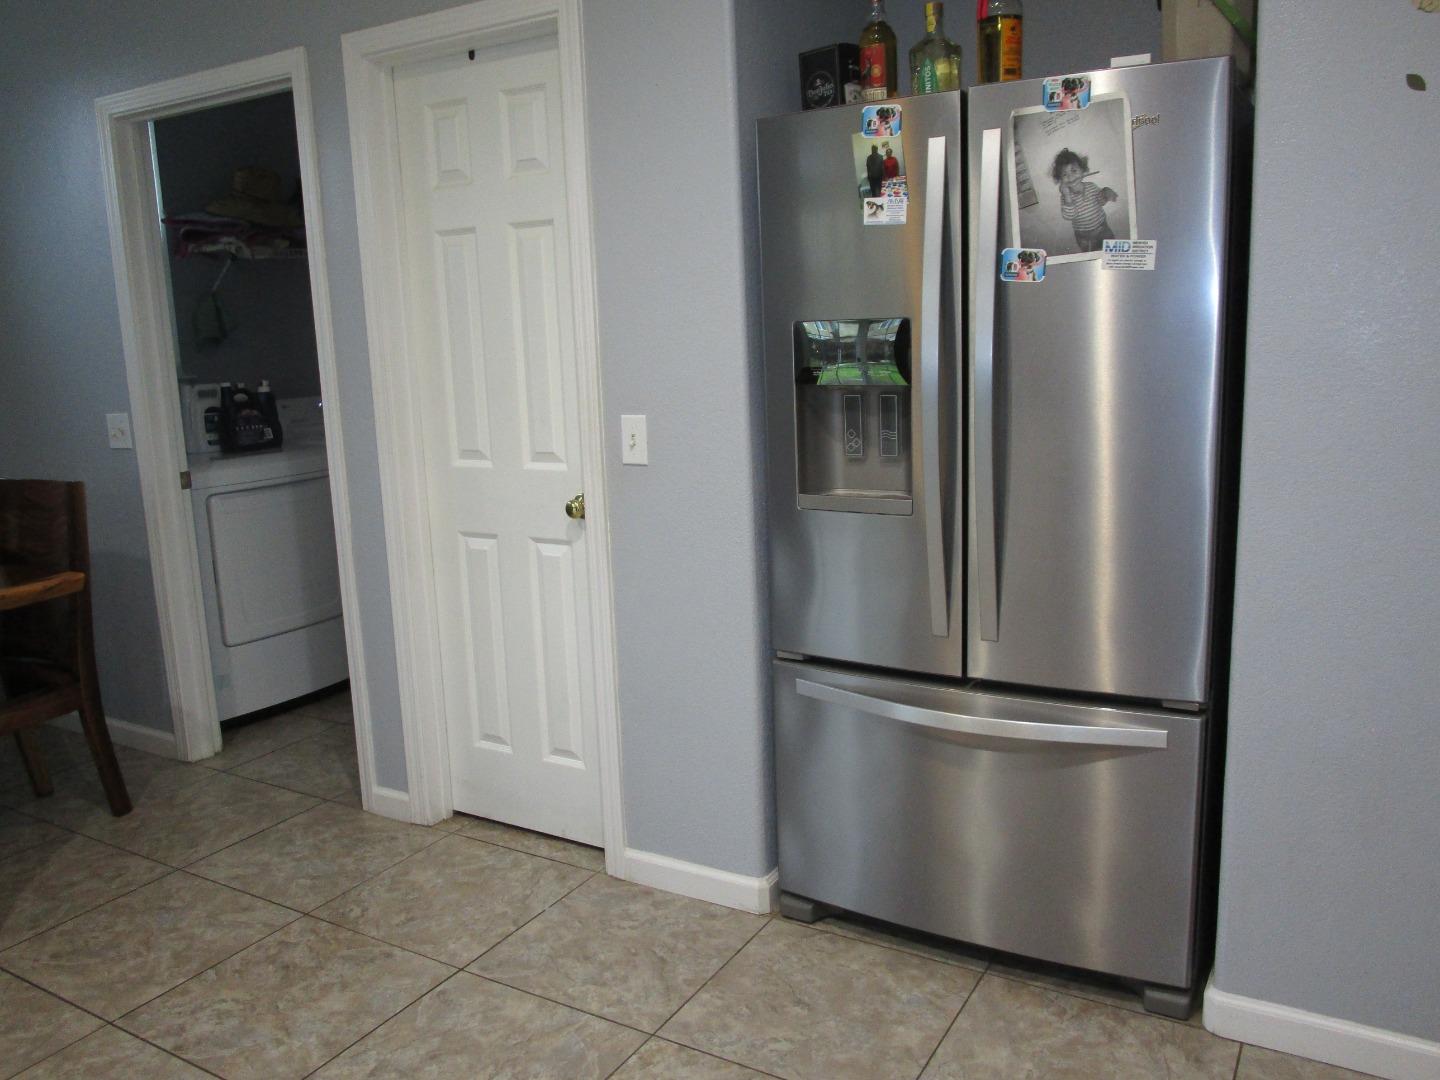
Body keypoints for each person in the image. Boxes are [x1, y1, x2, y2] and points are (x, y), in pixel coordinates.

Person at [1051, 147, 1117, 252]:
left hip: (1102, 228)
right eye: (1064, 174)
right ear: (1060, 179)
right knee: (1090, 257)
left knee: (1111, 252)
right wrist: (1067, 195)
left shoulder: (1091, 186)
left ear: (1082, 170)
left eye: (1074, 171)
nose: (1070, 176)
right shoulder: (1065, 196)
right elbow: (1069, 216)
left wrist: (1106, 192)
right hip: (1084, 236)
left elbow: (1101, 201)